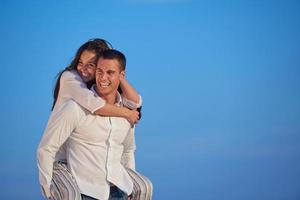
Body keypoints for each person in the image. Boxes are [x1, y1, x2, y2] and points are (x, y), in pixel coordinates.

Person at [37, 49, 152, 200]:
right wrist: (48, 190)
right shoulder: (75, 108)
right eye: (99, 71)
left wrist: (129, 186)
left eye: (110, 72)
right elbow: (46, 148)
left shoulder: (126, 113)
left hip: (119, 192)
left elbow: (127, 150)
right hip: (85, 192)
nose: (103, 77)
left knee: (146, 187)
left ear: (121, 76)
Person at [51, 38, 141, 163]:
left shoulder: (96, 83)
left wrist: (119, 75)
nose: (83, 69)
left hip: (84, 163)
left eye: (90, 65)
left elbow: (135, 103)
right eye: (80, 62)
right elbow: (95, 105)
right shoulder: (70, 77)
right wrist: (127, 113)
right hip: (62, 160)